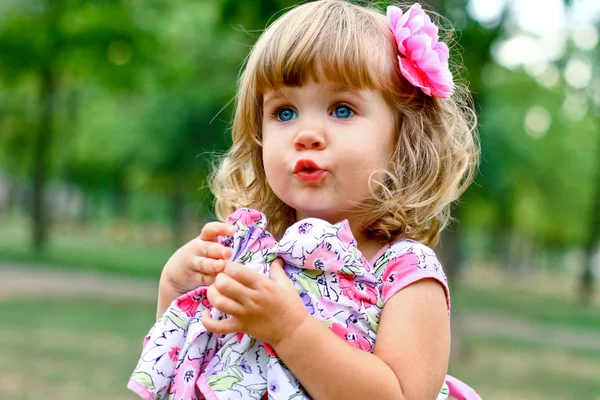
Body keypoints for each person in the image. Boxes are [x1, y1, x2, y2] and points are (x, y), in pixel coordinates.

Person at [129, 1, 480, 399]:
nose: (306, 133)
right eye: (284, 112)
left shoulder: (405, 274)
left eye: (342, 109)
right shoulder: (254, 253)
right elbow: (187, 366)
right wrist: (175, 289)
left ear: (404, 138)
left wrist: (290, 330)